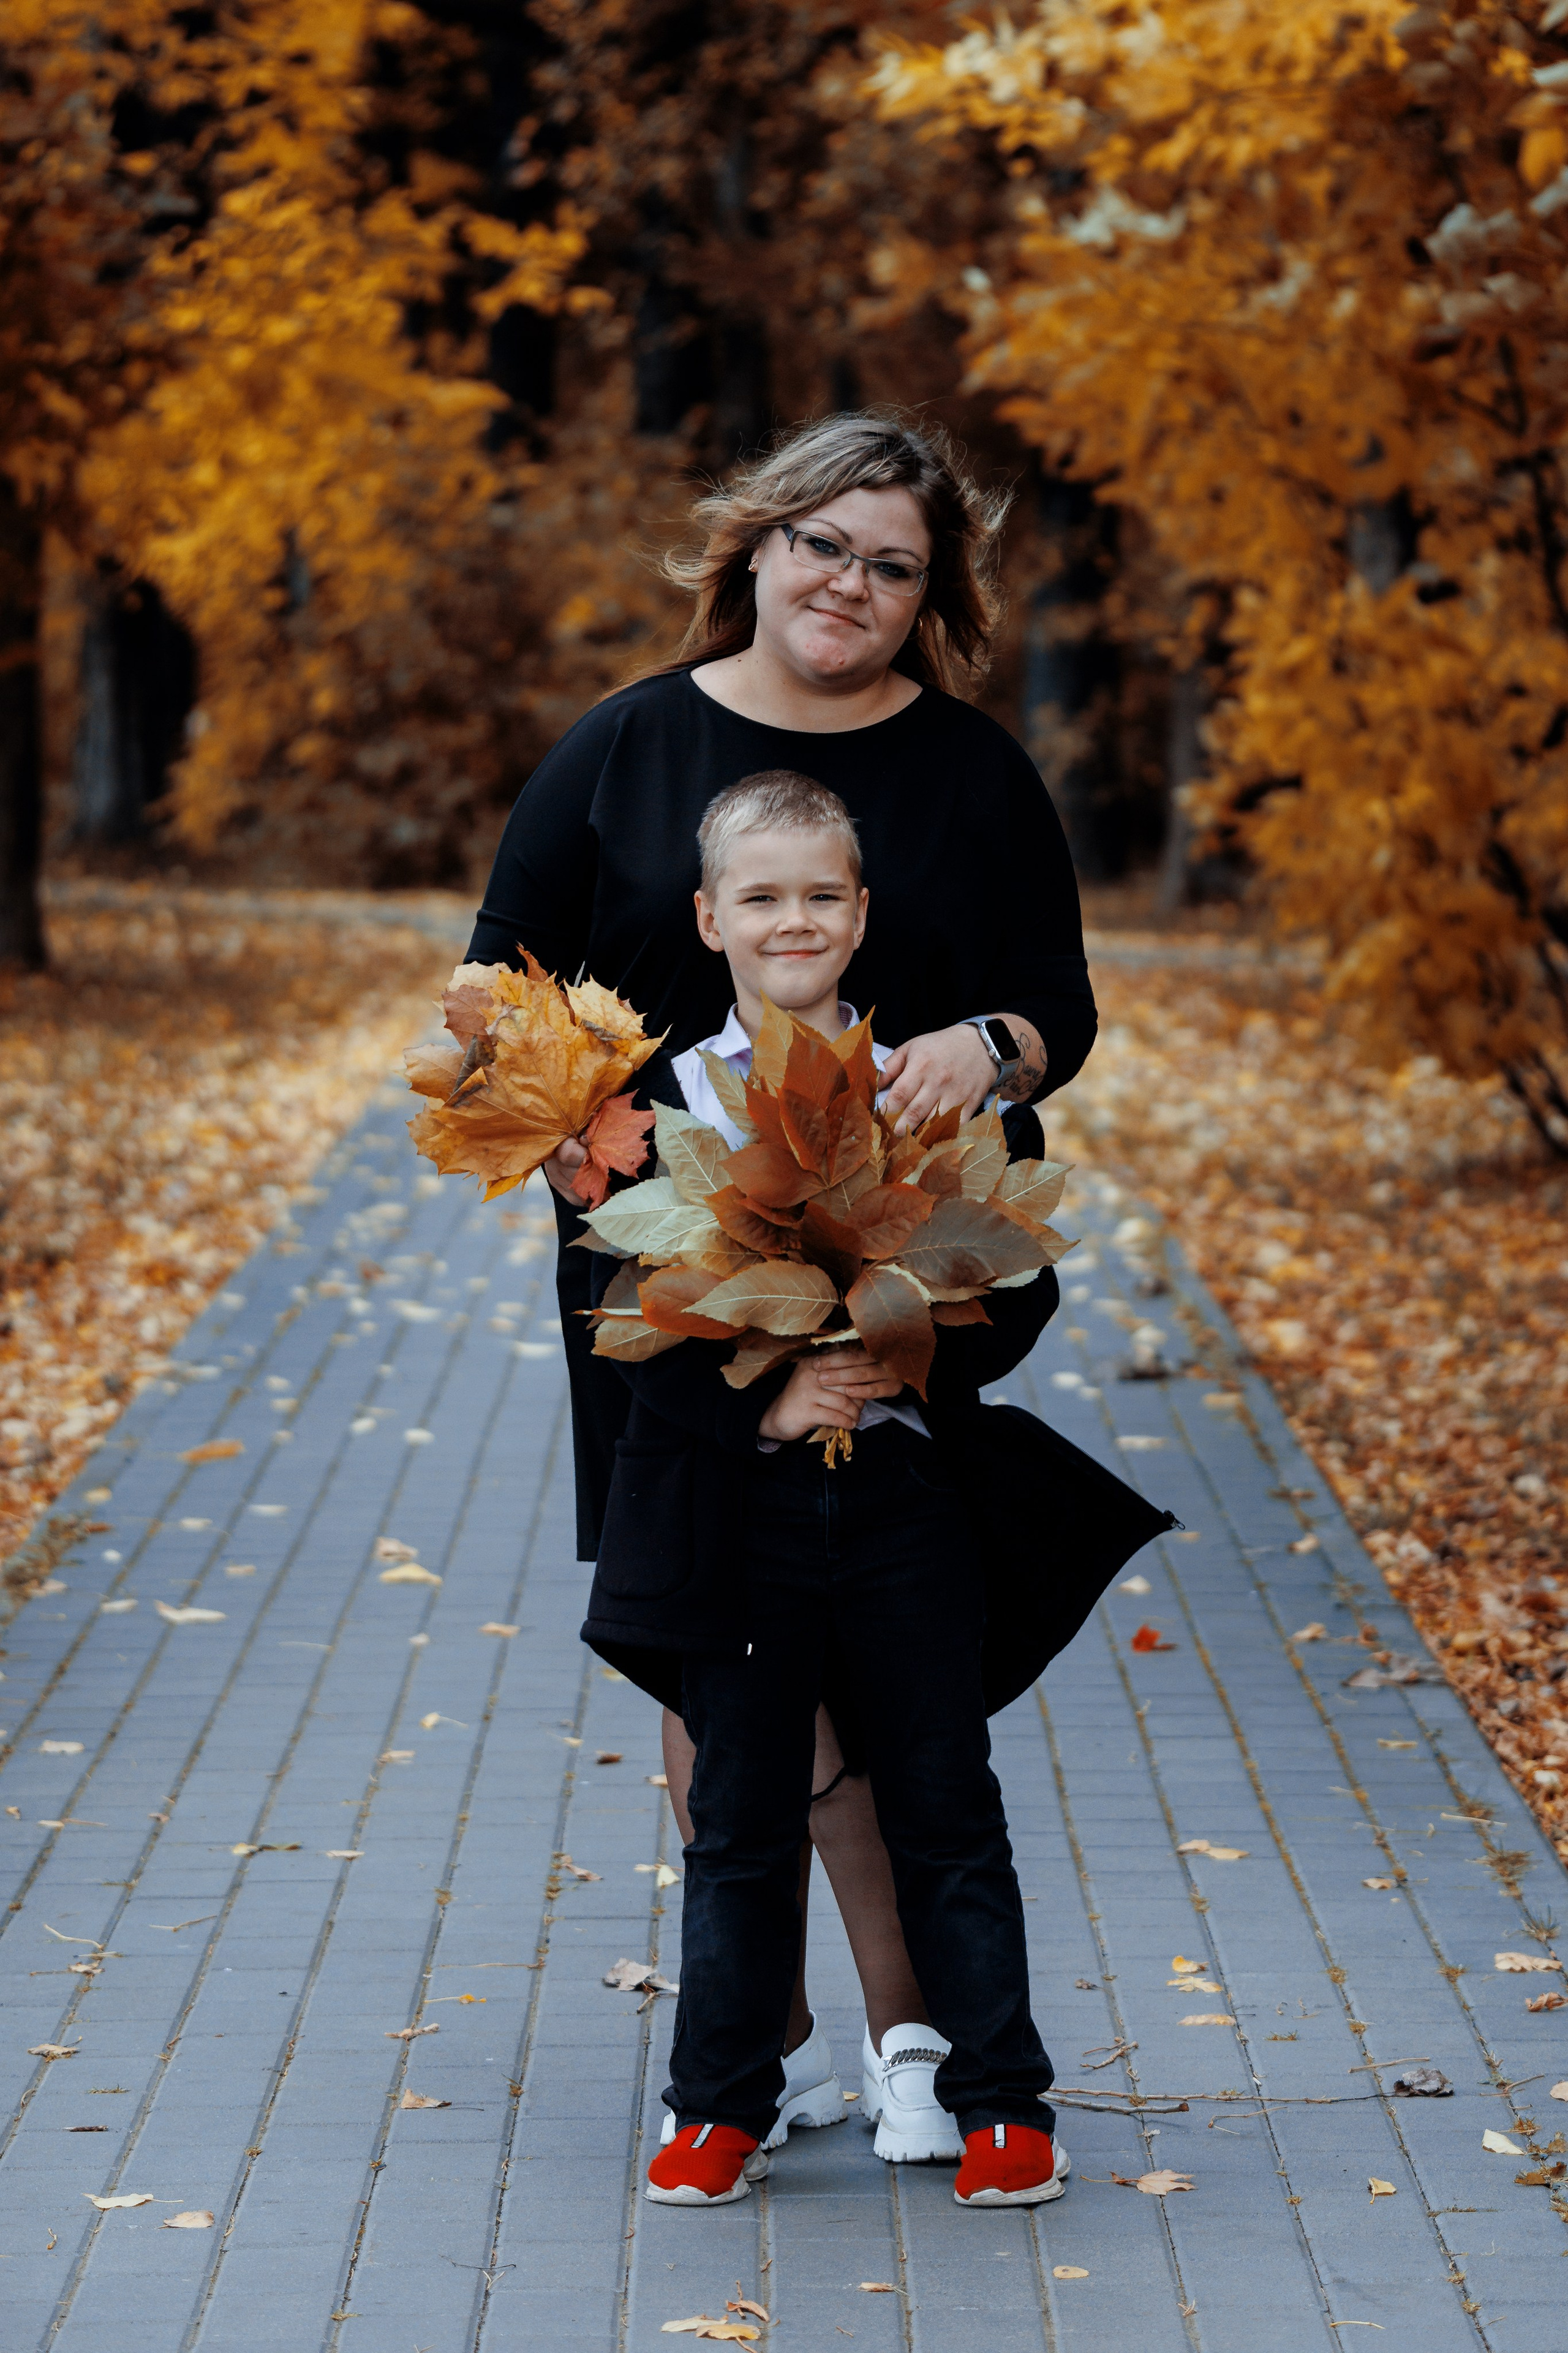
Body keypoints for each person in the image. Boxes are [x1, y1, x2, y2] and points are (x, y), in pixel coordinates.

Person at [463, 409, 1109, 2165]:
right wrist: (626, 1184)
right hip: (669, 1291)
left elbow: (1061, 995)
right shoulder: (622, 749)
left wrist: (992, 1045)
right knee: (714, 1645)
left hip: (895, 1270)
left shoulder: (972, 772)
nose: (852, 583)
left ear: (930, 596)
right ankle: (768, 2037)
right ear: (753, 544)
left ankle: (920, 2032)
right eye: (824, 543)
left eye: (894, 565)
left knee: (882, 1639)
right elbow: (495, 1000)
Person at [581, 771, 1069, 2209]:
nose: (790, 918)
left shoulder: (920, 1083)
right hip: (734, 1506)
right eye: (760, 896)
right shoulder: (648, 1110)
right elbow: (603, 1304)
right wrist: (766, 1392)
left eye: (818, 894)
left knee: (943, 1794)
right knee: (738, 1812)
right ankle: (718, 2103)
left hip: (905, 1500)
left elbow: (1018, 1274)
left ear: (859, 914)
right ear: (708, 918)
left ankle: (1000, 2103)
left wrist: (896, 1351)